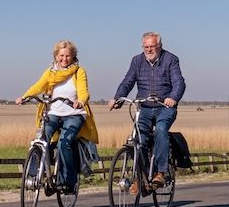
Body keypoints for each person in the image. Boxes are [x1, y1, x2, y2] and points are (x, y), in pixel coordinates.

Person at [16, 40, 99, 193]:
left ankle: (68, 181)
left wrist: (81, 101)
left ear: (73, 57)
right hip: (53, 113)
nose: (64, 59)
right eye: (61, 55)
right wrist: (25, 96)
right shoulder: (50, 72)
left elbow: (84, 91)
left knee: (64, 144)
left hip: (74, 115)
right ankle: (34, 176)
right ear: (56, 56)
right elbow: (39, 85)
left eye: (68, 56)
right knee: (40, 140)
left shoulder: (79, 72)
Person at [109, 32, 186, 187]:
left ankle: (161, 172)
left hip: (164, 107)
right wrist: (118, 98)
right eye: (146, 47)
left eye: (152, 46)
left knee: (161, 130)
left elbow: (179, 82)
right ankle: (141, 177)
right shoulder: (137, 61)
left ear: (160, 46)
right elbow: (127, 82)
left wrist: (173, 98)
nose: (149, 50)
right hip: (144, 107)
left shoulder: (170, 59)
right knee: (139, 138)